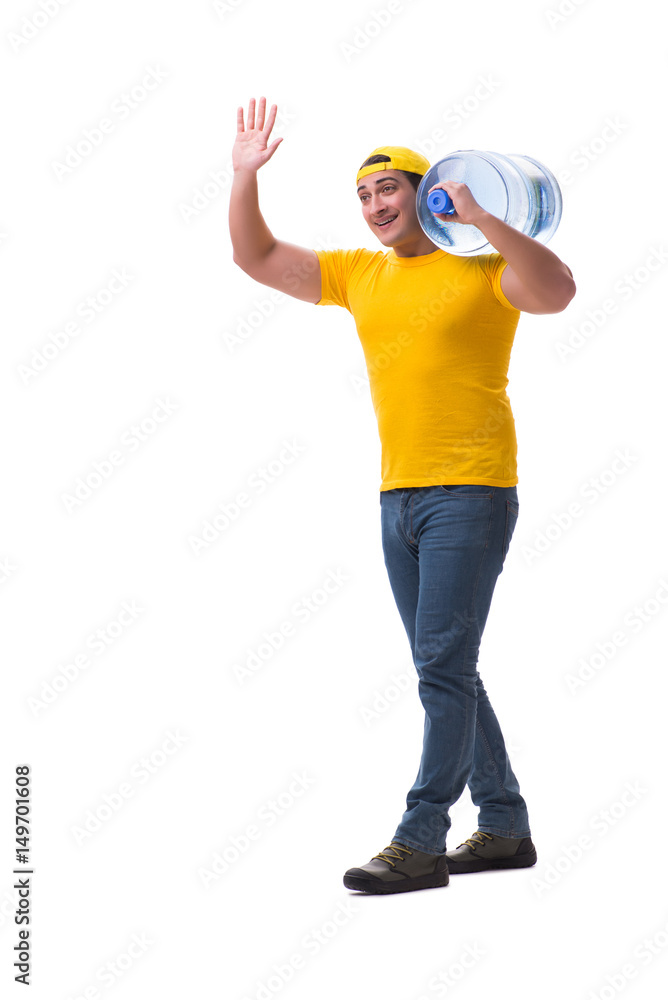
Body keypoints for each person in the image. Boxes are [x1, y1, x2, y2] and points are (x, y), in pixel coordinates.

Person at [229, 96, 576, 896]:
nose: (376, 204)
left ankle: (421, 838)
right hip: (398, 499)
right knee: (447, 668)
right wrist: (245, 176)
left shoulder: (488, 268)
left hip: (472, 489)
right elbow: (255, 257)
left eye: (391, 188)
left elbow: (555, 291)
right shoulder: (359, 272)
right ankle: (506, 826)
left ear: (429, 191)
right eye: (364, 194)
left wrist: (483, 215)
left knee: (441, 668)